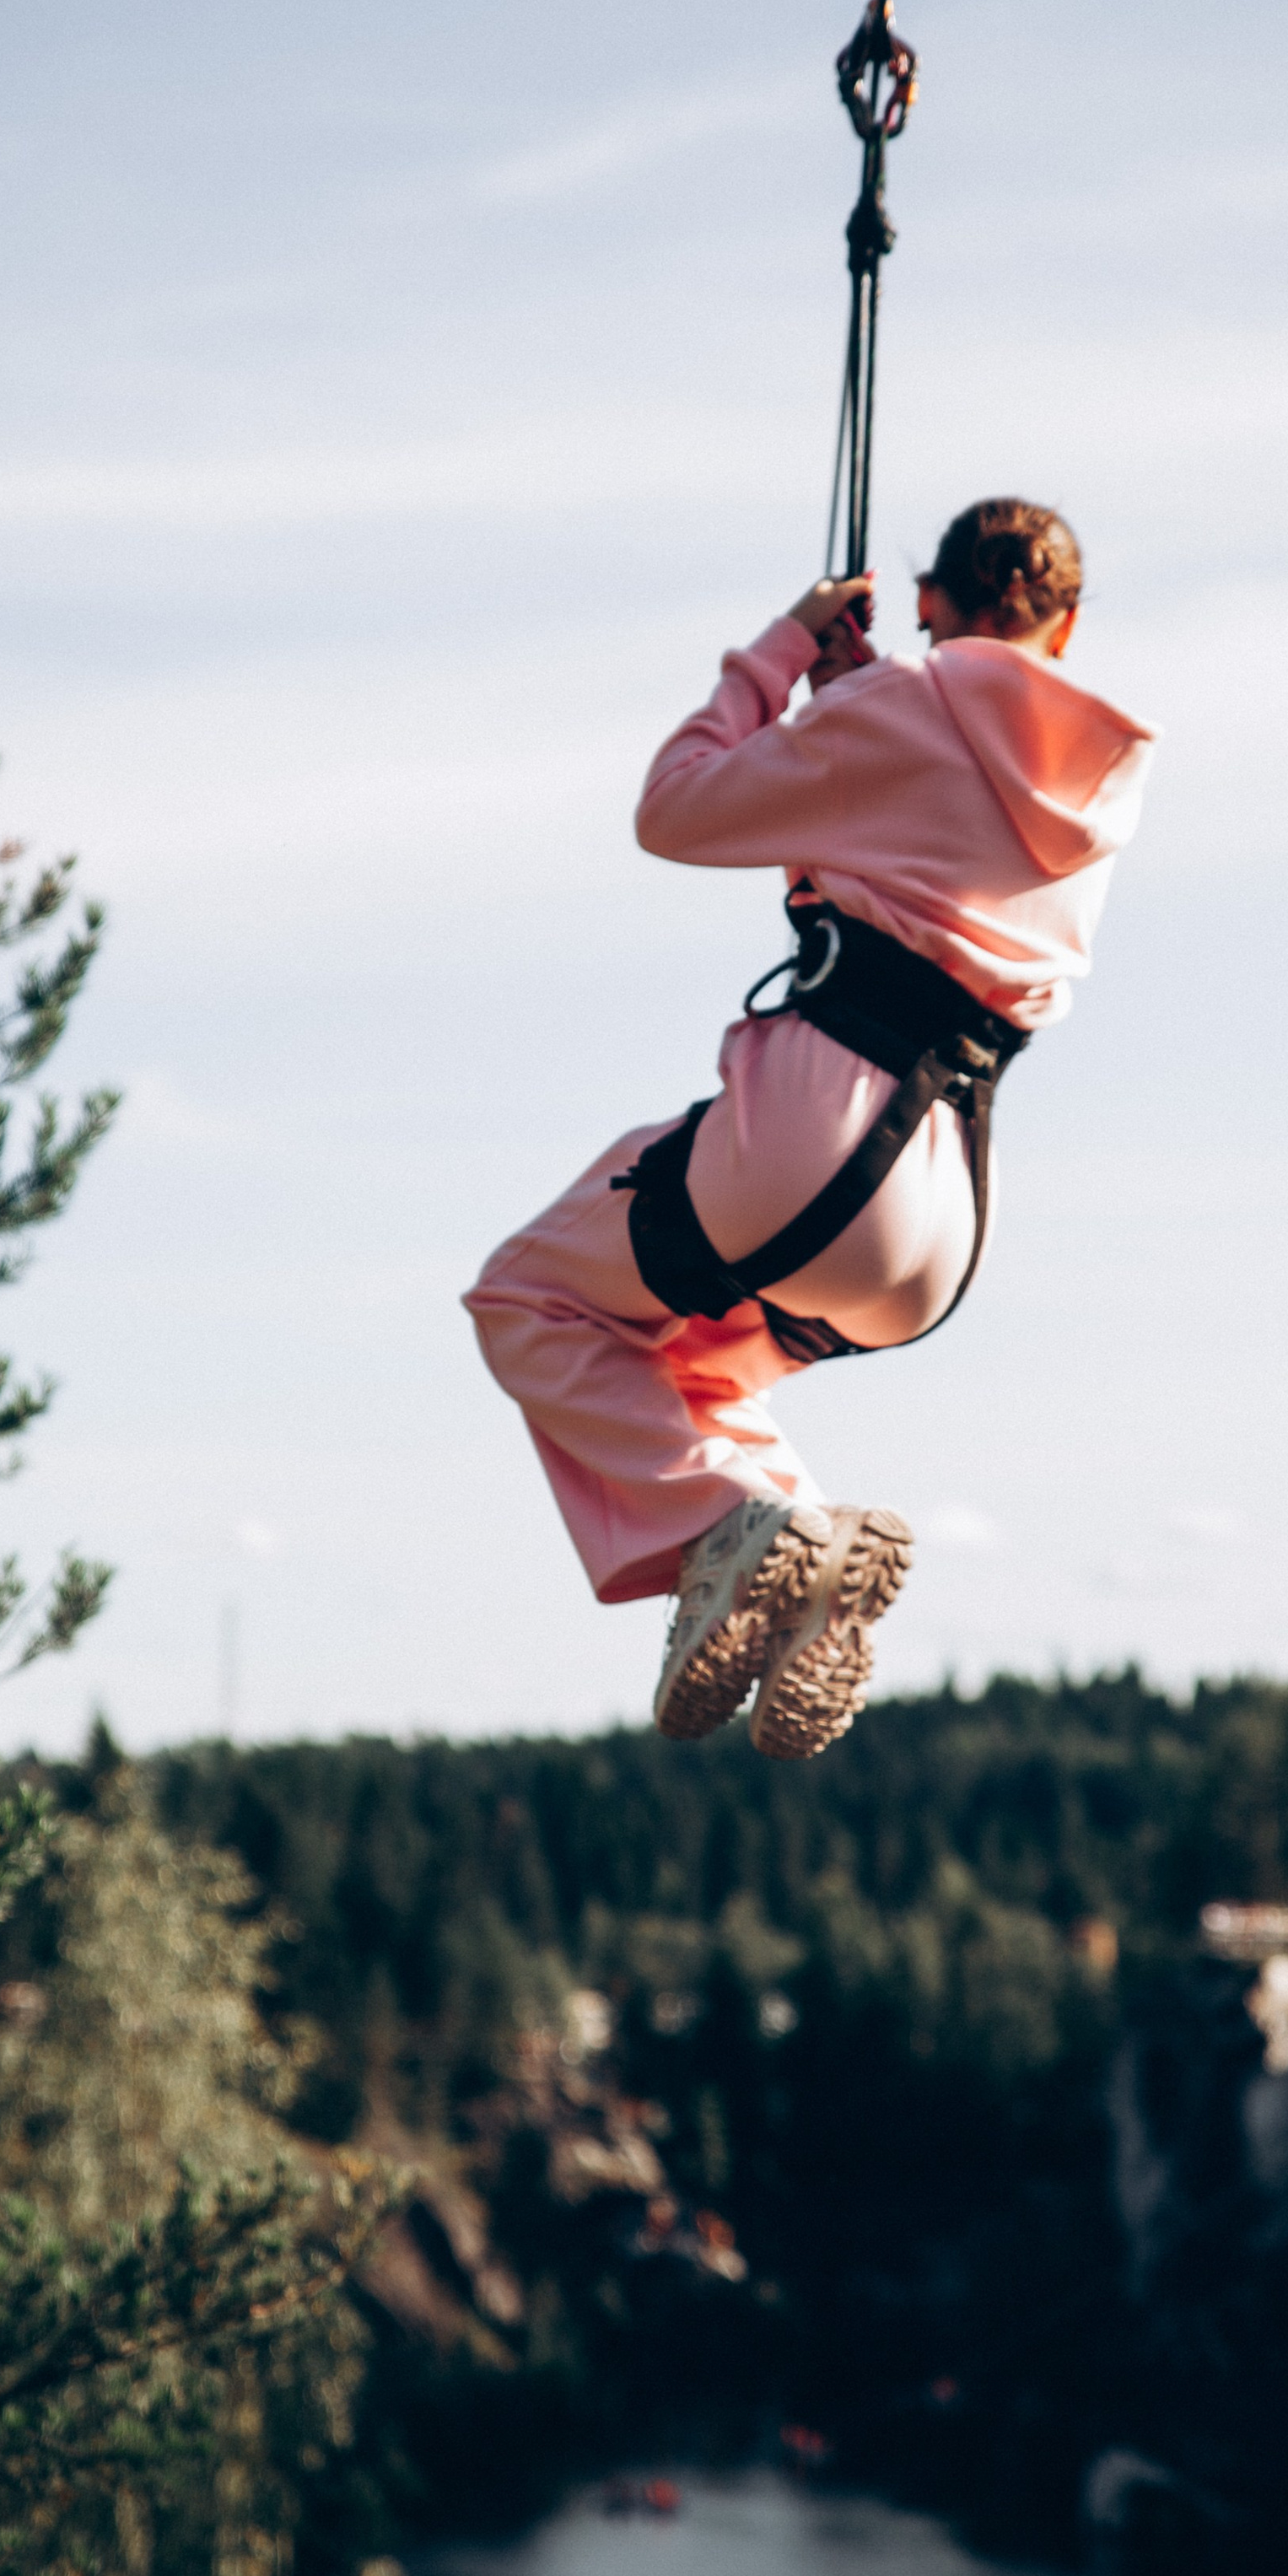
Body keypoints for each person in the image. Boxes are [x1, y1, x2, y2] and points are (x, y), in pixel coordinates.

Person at [465, 497, 1156, 1763]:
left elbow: (675, 810)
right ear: (1061, 633)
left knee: (527, 1298)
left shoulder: (882, 715)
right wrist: (860, 707)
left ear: (931, 601)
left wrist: (784, 656)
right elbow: (934, 814)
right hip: (942, 1224)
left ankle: (736, 1527)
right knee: (695, 1367)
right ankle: (801, 1553)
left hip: (807, 1146)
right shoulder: (1096, 795)